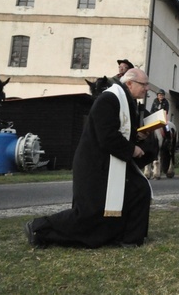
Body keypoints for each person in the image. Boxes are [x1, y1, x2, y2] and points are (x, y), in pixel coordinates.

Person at [24, 69, 155, 248]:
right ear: (130, 83)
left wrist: (138, 137)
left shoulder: (125, 101)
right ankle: (39, 228)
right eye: (144, 84)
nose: (147, 88)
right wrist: (132, 149)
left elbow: (120, 131)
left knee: (138, 190)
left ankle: (129, 238)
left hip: (109, 163)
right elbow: (107, 135)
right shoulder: (109, 99)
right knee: (89, 214)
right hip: (94, 165)